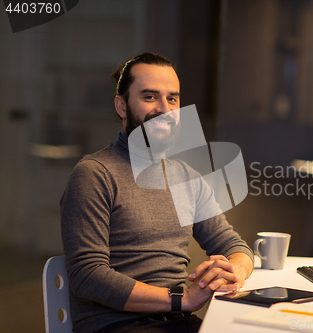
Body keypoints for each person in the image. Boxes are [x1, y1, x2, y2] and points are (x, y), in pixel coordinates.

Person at [60, 53, 254, 333]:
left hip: (178, 322)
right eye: (150, 97)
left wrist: (234, 270)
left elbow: (234, 245)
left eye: (172, 99)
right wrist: (182, 300)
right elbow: (88, 276)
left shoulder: (187, 177)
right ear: (122, 106)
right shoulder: (94, 174)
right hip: (119, 325)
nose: (164, 109)